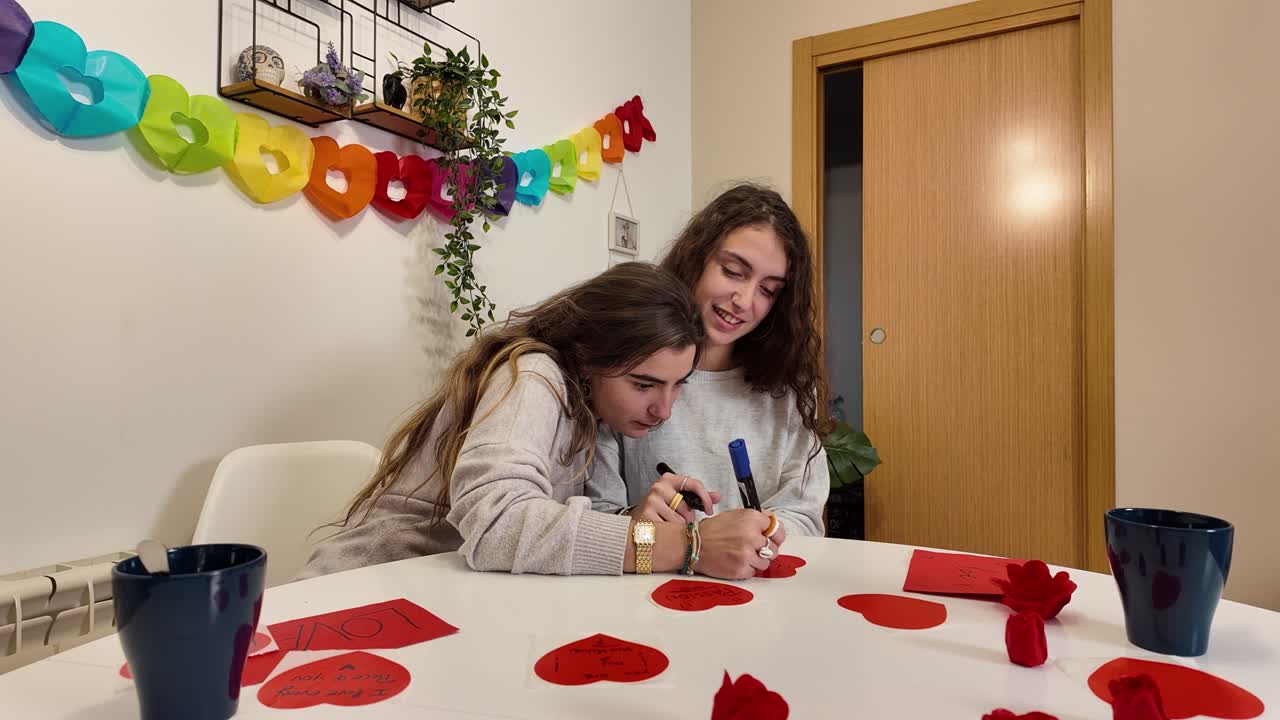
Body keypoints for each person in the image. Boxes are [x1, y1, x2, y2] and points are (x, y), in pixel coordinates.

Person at [300, 262, 781, 580]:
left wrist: (632, 523)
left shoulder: (586, 406)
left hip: (449, 593)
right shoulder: (533, 375)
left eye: (678, 385)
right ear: (585, 355)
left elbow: (536, 520)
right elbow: (498, 526)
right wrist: (685, 543)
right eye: (644, 384)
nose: (664, 410)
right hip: (368, 593)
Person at [587, 184, 832, 541]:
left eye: (769, 290)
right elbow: (596, 519)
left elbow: (806, 518)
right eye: (733, 271)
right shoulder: (625, 365)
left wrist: (758, 534)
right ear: (696, 256)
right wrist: (639, 522)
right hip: (644, 587)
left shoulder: (788, 386)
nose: (744, 301)